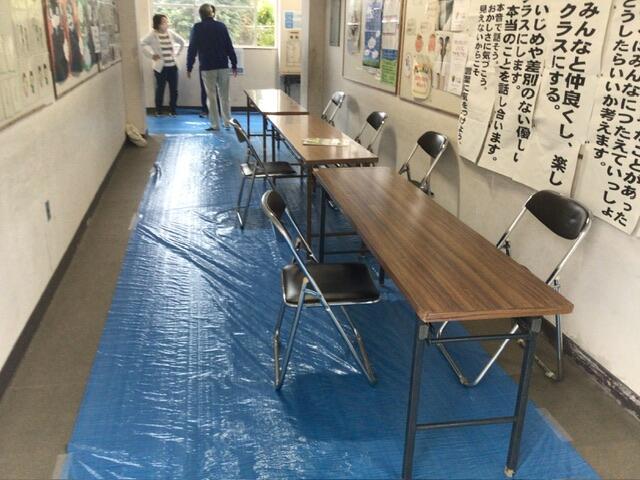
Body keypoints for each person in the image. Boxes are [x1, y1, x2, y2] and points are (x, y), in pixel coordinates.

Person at [187, 4, 238, 131]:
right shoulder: (221, 26)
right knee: (224, 96)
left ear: (200, 15)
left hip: (207, 66)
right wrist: (234, 64)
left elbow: (192, 48)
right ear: (212, 13)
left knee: (211, 96)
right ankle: (227, 122)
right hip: (223, 65)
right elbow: (229, 45)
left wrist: (189, 66)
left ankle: (215, 125)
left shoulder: (197, 28)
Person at [140, 14, 186, 116]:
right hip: (160, 68)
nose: (166, 24)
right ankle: (158, 110)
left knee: (174, 90)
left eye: (166, 22)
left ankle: (173, 110)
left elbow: (182, 42)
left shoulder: (170, 33)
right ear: (158, 24)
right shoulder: (152, 34)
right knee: (160, 89)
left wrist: (177, 53)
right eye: (163, 22)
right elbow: (142, 44)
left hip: (173, 66)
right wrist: (151, 55)